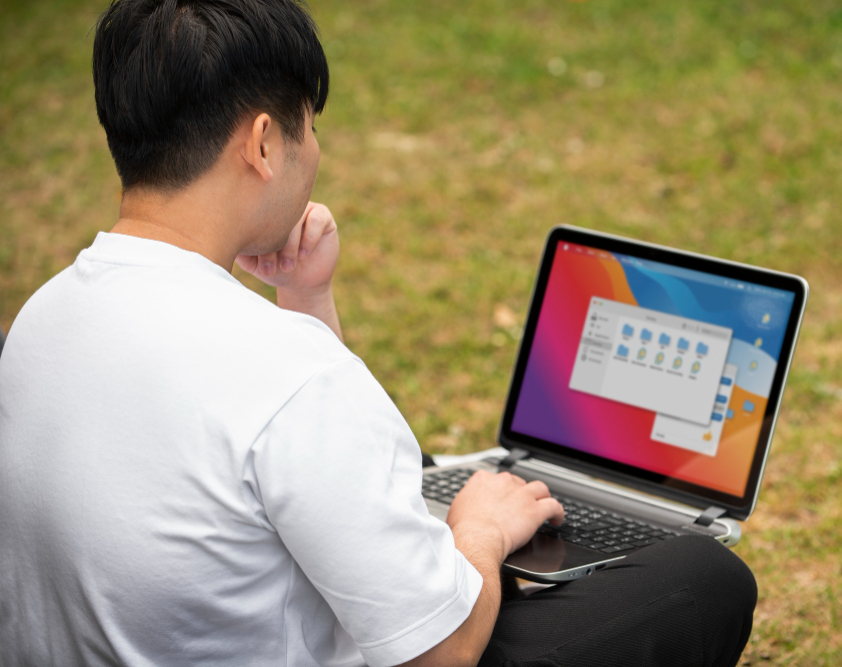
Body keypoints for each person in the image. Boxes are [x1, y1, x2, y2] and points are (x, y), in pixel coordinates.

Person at [0, 1, 757, 665]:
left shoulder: (43, 317)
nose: (316, 151)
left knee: (421, 478)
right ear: (263, 145)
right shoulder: (289, 375)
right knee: (704, 578)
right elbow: (441, 651)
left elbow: (277, 454)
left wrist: (305, 292)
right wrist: (480, 533)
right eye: (310, 126)